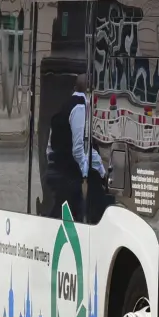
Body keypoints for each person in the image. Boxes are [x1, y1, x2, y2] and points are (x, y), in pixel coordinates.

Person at [41, 75, 105, 219]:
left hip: (57, 169)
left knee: (62, 213)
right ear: (91, 90)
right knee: (74, 215)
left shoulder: (65, 106)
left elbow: (51, 144)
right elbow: (79, 149)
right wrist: (92, 172)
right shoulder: (80, 107)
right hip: (67, 174)